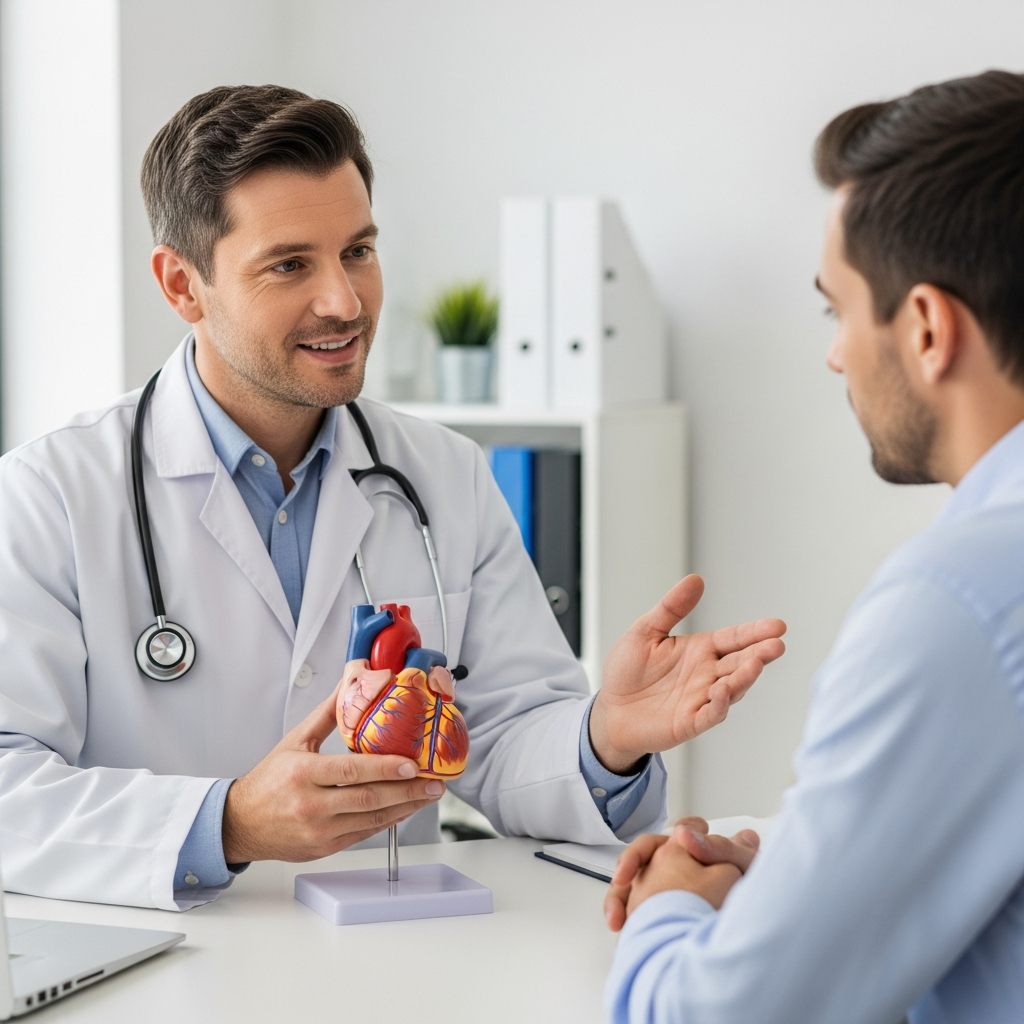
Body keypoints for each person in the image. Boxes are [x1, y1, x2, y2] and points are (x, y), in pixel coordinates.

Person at [0, 86, 786, 912]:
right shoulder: (51, 495)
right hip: (170, 970)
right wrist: (227, 824)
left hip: (393, 963)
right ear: (183, 285)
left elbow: (505, 737)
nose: (344, 301)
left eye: (359, 251)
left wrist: (606, 737)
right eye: (290, 264)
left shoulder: (442, 475)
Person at [603, 69, 1024, 1024]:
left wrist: (670, 905)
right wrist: (796, 876)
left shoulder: (961, 601)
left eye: (837, 309)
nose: (835, 352)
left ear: (925, 328)